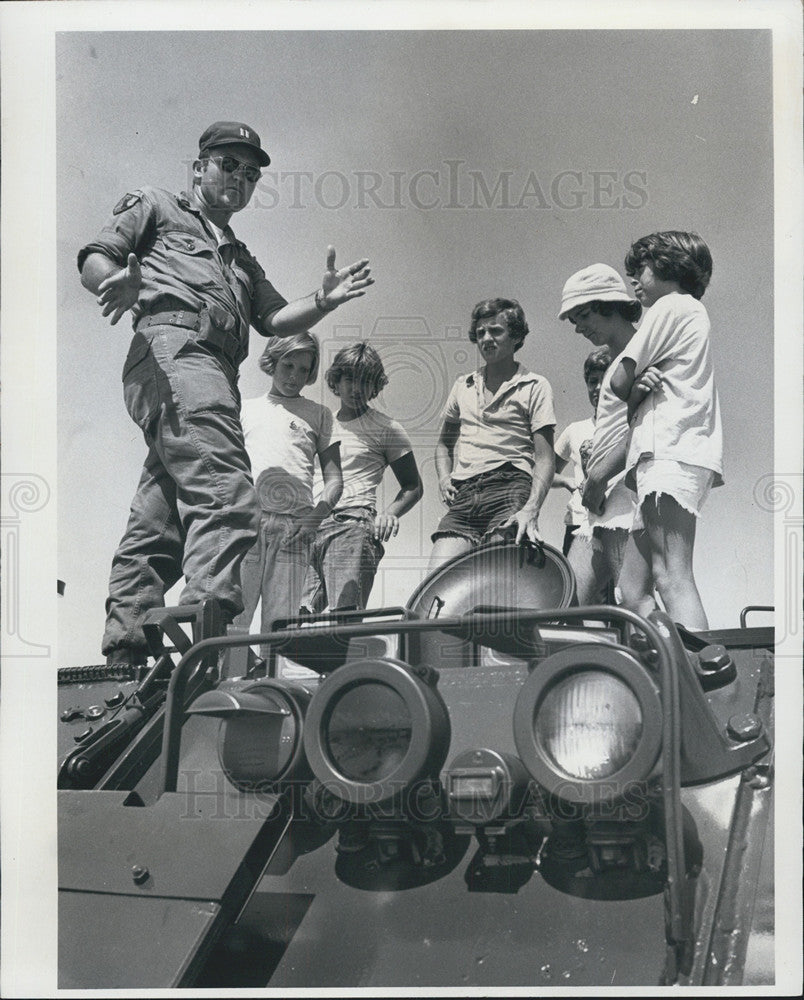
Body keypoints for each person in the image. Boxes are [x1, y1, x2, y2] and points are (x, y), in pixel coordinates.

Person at [78, 120, 374, 669]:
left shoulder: (239, 255)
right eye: (228, 164)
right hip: (176, 349)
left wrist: (323, 299)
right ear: (199, 167)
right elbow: (97, 253)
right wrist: (113, 280)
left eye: (251, 172)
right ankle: (205, 648)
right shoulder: (159, 206)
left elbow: (276, 318)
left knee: (161, 514)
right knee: (227, 493)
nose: (240, 177)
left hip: (214, 372)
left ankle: (124, 651)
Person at [610, 232, 723, 630]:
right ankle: (671, 669)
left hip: (670, 451)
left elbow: (617, 381)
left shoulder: (670, 305)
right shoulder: (689, 312)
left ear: (669, 266)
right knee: (632, 590)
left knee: (672, 576)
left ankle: (706, 685)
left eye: (639, 270)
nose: (633, 281)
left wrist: (633, 385)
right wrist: (639, 390)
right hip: (665, 455)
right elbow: (632, 394)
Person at [428, 298, 555, 573]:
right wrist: (443, 478)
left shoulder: (535, 385)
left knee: (496, 585)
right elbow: (442, 445)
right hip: (464, 494)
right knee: (437, 585)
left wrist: (531, 509)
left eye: (496, 331)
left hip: (510, 486)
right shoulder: (463, 385)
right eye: (481, 332)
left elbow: (545, 458)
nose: (486, 338)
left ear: (516, 336)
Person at [234, 334, 342, 655]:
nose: (294, 376)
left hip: (294, 530)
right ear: (272, 362)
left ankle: (271, 691)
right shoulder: (245, 408)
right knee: (234, 618)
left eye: (303, 369)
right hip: (247, 525)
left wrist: (313, 520)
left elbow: (335, 480)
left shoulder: (320, 414)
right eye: (288, 365)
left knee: (280, 627)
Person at [300, 342, 423, 614]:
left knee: (344, 616)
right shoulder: (321, 423)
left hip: (352, 525)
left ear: (375, 386)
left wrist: (390, 513)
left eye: (366, 381)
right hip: (309, 526)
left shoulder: (387, 427)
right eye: (350, 379)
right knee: (292, 617)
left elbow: (413, 485)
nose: (357, 388)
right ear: (336, 381)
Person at [559, 264, 644, 604]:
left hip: (626, 497)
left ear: (608, 304)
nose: (578, 328)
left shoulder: (645, 352)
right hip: (597, 509)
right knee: (568, 602)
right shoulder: (616, 362)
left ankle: (682, 659)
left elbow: (644, 431)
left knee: (634, 599)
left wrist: (597, 477)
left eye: (583, 316)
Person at [552, 348, 613, 604]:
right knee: (577, 600)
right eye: (592, 382)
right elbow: (543, 473)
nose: (598, 388)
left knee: (623, 598)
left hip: (619, 520)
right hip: (580, 523)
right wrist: (567, 481)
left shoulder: (631, 424)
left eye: (606, 380)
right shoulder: (575, 431)